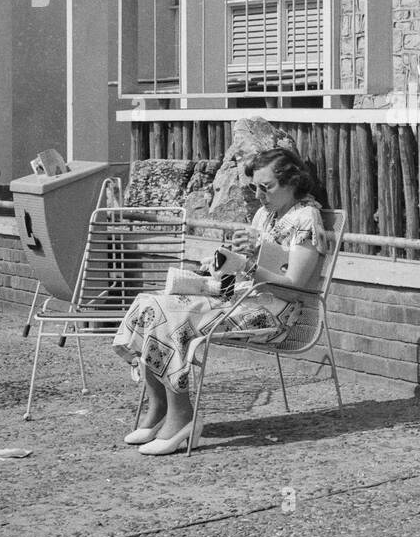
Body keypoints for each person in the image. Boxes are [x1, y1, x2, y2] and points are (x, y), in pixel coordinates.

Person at [112, 147, 327, 456]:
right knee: (152, 303)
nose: (259, 194)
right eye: (255, 186)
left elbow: (294, 286)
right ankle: (160, 406)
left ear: (292, 182)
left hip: (278, 315)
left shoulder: (306, 218)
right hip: (243, 299)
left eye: (266, 187)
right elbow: (256, 263)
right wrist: (227, 259)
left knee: (175, 316)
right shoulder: (265, 215)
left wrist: (244, 263)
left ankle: (182, 417)